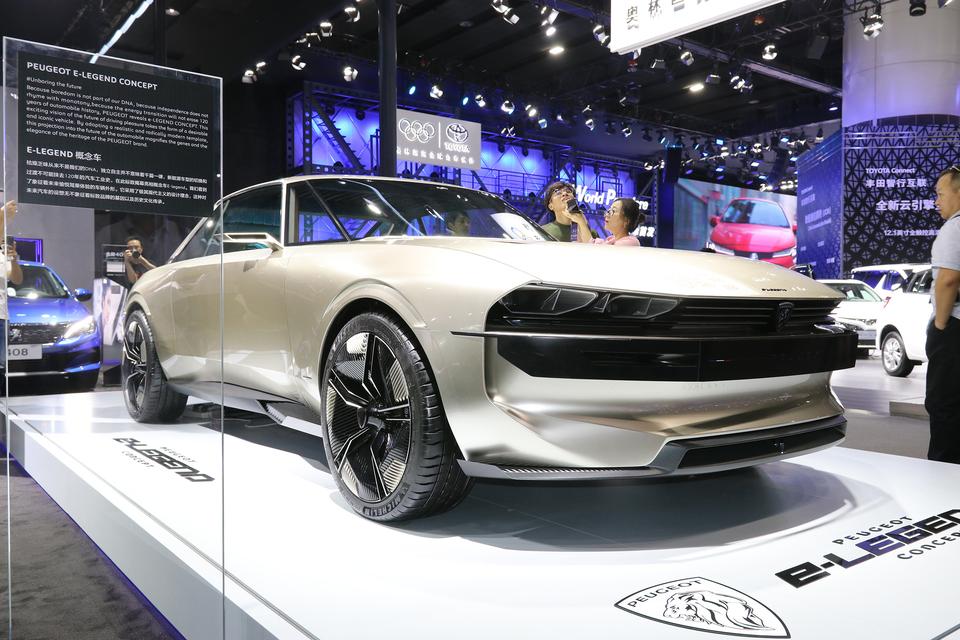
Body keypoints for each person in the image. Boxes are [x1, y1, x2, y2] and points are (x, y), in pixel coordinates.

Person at [925, 165, 960, 464]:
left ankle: (943, 473)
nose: (937, 201)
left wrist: (939, 324)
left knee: (943, 403)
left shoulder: (955, 227)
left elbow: (948, 279)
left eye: (940, 194)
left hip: (954, 331)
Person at [1, 201, 24, 363]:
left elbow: (17, 279)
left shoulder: (3, 254)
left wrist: (14, 261)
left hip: (2, 316)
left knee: (2, 366)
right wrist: (2, 214)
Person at [579, 198, 643, 246]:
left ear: (626, 221)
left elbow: (598, 252)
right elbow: (591, 243)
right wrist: (581, 220)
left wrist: (581, 222)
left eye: (613, 211)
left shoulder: (630, 243)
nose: (606, 215)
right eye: (609, 210)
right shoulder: (610, 239)